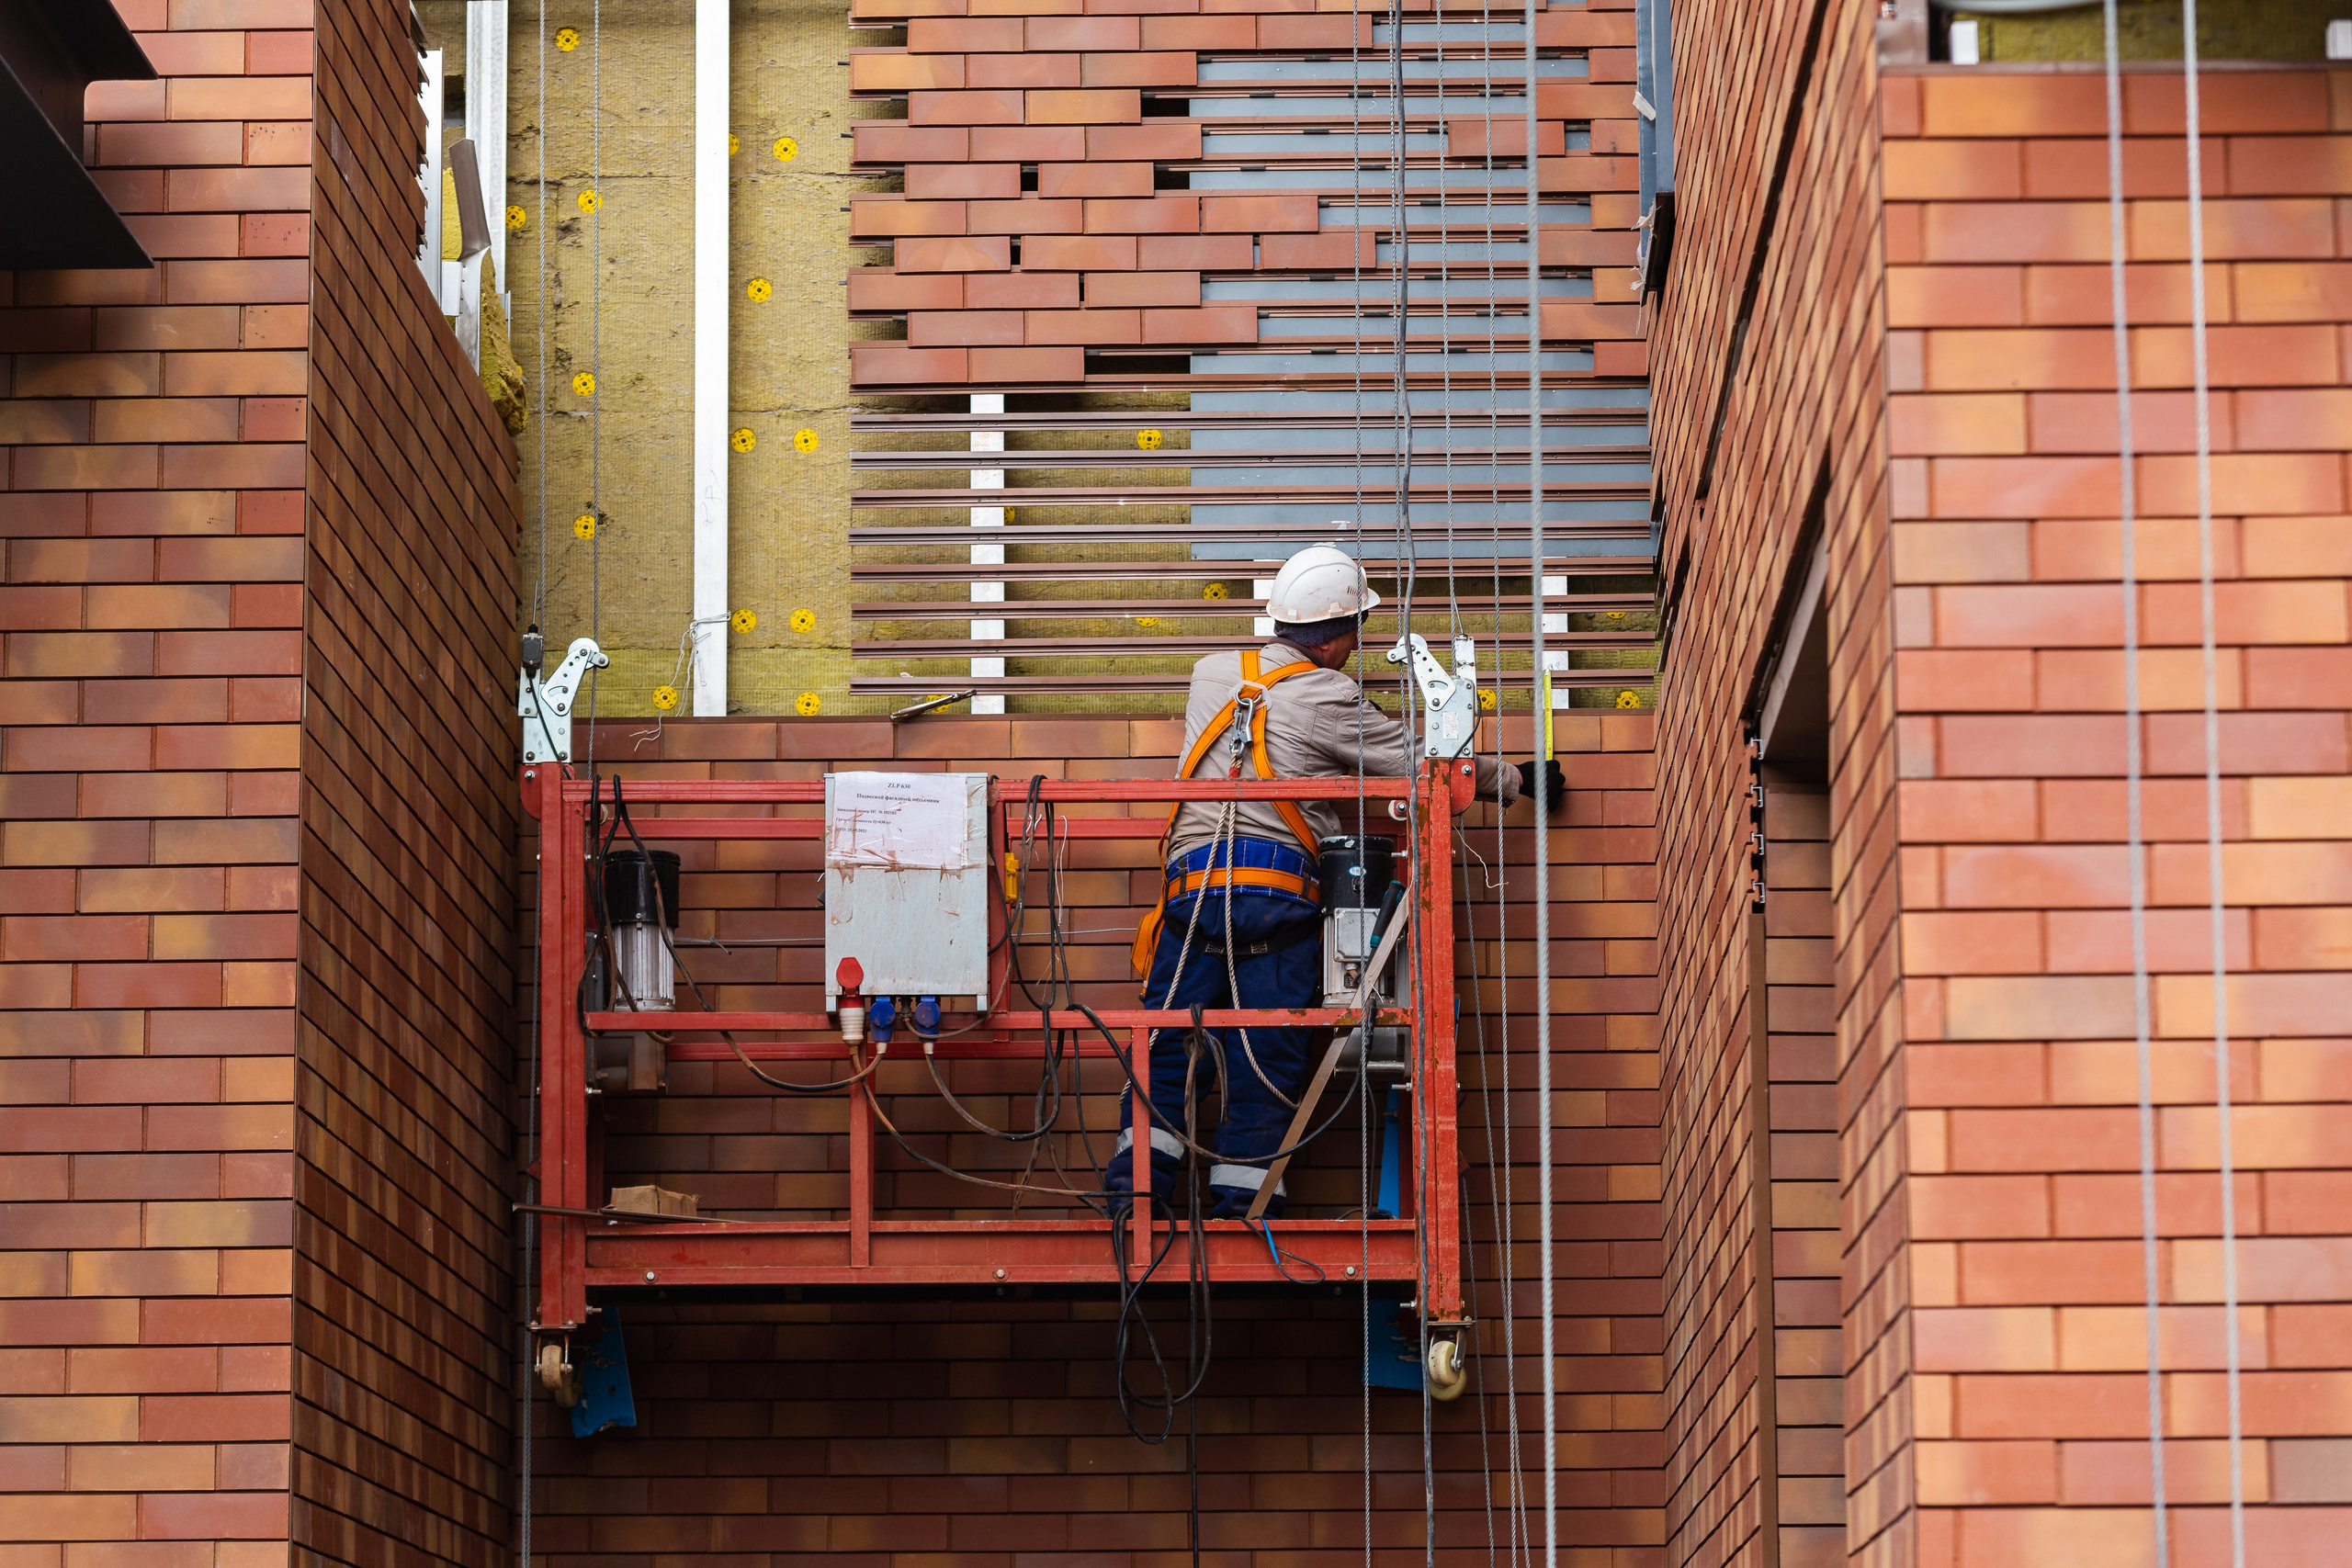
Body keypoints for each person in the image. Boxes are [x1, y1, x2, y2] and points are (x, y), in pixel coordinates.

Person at [1105, 543, 1566, 1220]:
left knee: (1167, 1048)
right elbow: (1420, 762)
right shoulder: (1328, 692)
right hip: (1271, 894)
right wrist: (1514, 777)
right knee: (1269, 1047)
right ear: (1335, 634)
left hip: (1189, 894)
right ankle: (1241, 1208)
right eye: (1355, 632)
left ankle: (1133, 1206)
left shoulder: (1210, 675)